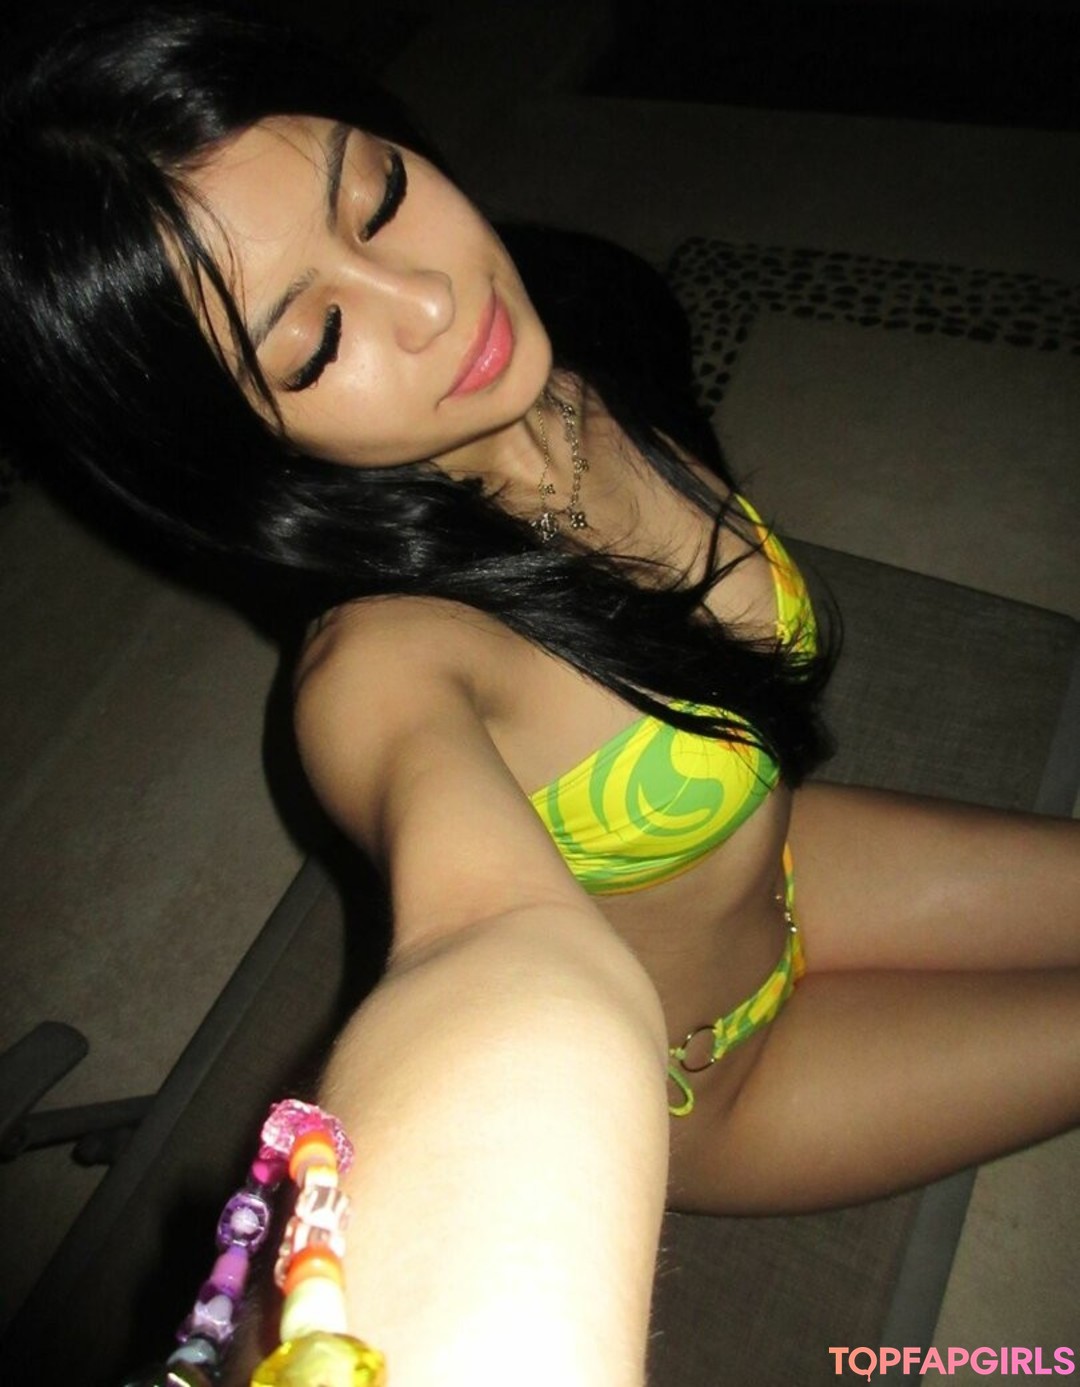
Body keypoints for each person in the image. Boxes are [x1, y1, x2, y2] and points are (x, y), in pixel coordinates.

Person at [1, 6, 1077, 1385]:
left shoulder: (578, 326)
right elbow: (487, 955)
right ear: (229, 441)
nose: (432, 298)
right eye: (316, 339)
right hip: (714, 1077)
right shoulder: (381, 672)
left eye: (377, 195)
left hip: (789, 864)